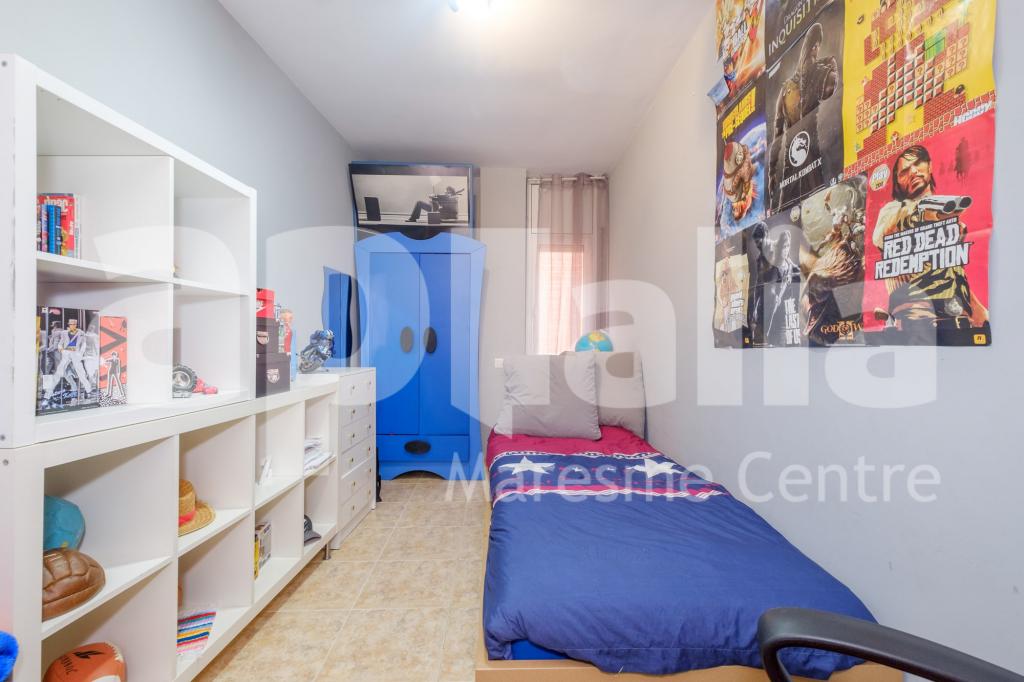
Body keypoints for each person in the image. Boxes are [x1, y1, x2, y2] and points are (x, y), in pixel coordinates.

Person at [871, 145, 989, 338]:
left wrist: (977, 310)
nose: (913, 172)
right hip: (914, 318)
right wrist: (919, 214)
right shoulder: (892, 210)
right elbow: (881, 235)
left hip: (950, 314)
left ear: (930, 166)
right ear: (898, 181)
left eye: (918, 164)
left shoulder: (944, 212)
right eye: (904, 171)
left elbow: (953, 273)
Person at [770, 22, 838, 210]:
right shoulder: (815, 75)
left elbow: (776, 137)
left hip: (801, 164)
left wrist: (771, 173)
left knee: (800, 211)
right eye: (815, 46)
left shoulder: (789, 87)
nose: (816, 50)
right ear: (813, 47)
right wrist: (832, 65)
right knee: (814, 210)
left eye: (818, 46)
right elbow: (831, 87)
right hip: (803, 164)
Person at [44, 317, 93, 402]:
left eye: (74, 324)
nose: (72, 325)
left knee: (81, 373)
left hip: (76, 354)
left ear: (76, 325)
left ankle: (88, 391)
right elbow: (60, 344)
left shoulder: (81, 333)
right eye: (71, 324)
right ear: (69, 325)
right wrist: (62, 350)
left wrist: (80, 353)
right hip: (66, 354)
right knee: (58, 373)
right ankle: (48, 394)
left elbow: (84, 344)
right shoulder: (64, 333)